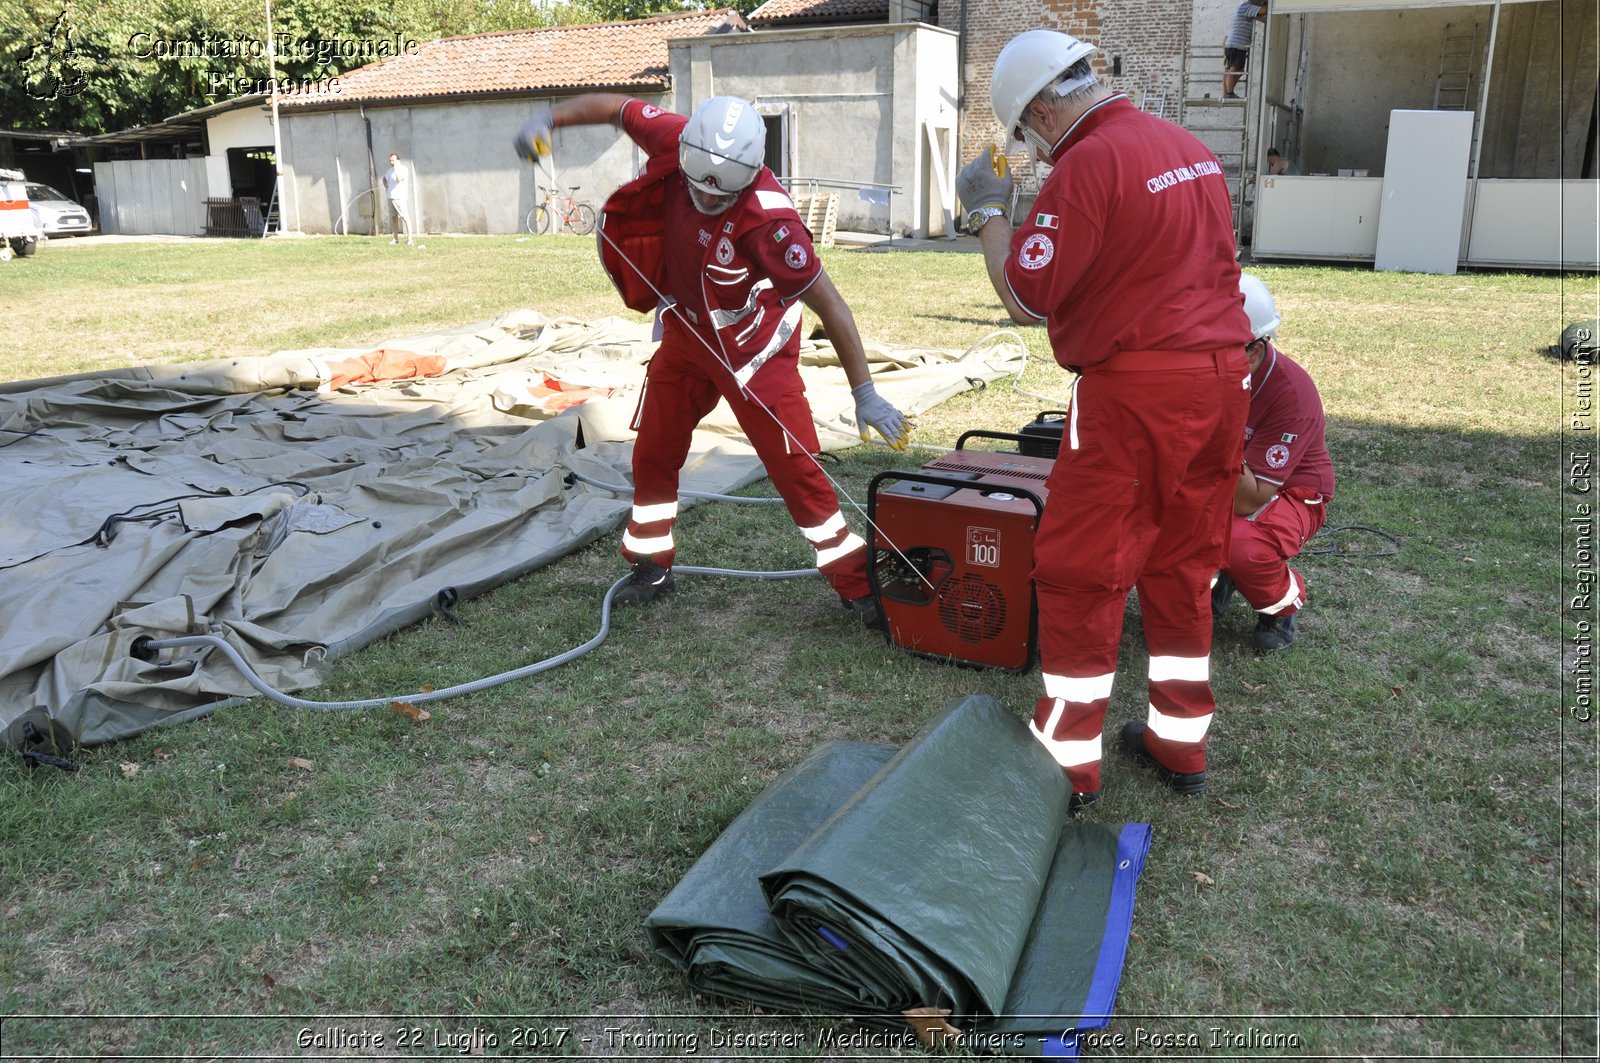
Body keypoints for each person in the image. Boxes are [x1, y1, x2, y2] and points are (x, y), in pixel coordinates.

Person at [955, 30, 1252, 812]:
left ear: (1044, 109)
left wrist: (989, 214)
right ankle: (1179, 740)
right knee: (1185, 563)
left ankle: (1066, 760)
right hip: (1222, 381)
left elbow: (1026, 298)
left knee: (1082, 568)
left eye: (1029, 135)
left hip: (1136, 393)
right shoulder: (1186, 145)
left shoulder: (1088, 163)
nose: (1037, 153)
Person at [512, 94, 909, 624]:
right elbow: (618, 108)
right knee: (653, 449)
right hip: (687, 339)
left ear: (748, 176)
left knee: (798, 469)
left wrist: (865, 392)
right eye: (696, 188)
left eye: (720, 198)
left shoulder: (775, 225)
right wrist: (549, 118)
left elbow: (831, 304)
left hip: (755, 357)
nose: (706, 201)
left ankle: (857, 585)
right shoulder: (678, 139)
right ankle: (651, 561)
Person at [1212, 273, 1334, 653]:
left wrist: (1219, 426)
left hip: (1290, 491)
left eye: (1216, 351)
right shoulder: (1209, 374)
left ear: (1255, 348)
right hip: (1225, 482)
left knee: (1240, 544)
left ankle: (1282, 603)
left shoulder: (1290, 393)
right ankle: (1219, 579)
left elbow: (1251, 498)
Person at [1224, 1, 1268, 99]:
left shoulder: (1249, 11)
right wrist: (1270, 3)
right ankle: (1229, 93)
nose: (1261, 3)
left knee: (1238, 69)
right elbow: (1264, 10)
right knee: (1234, 69)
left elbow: (1264, 18)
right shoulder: (1246, 7)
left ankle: (1227, 93)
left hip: (1237, 45)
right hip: (1236, 44)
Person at [384, 152, 413, 245]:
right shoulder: (389, 170)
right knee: (394, 218)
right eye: (390, 160)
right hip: (390, 197)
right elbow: (384, 179)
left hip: (399, 197)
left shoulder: (403, 169)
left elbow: (399, 178)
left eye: (393, 160)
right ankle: (395, 238)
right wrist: (386, 186)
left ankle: (410, 239)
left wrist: (396, 168)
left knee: (405, 217)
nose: (391, 162)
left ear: (398, 160)